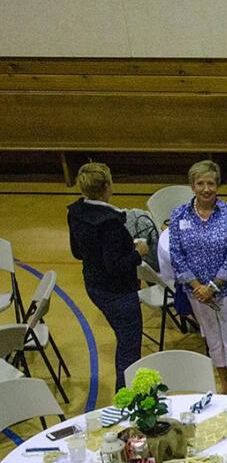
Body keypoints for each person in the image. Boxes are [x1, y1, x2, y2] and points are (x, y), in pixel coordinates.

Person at [66, 162, 147, 392]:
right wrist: (137, 253)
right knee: (129, 347)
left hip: (94, 286)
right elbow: (116, 266)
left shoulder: (76, 213)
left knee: (124, 341)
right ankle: (126, 397)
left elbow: (77, 252)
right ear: (107, 187)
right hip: (118, 293)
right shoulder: (109, 222)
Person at [168, 160, 227, 395]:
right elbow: (176, 254)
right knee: (213, 341)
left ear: (218, 185)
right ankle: (223, 385)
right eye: (200, 183)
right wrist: (196, 286)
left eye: (210, 183)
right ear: (191, 185)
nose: (206, 189)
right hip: (196, 293)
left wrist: (212, 286)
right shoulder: (178, 215)